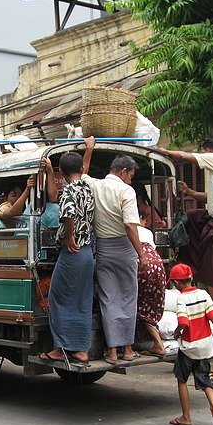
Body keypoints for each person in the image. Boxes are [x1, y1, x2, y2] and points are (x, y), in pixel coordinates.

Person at [157, 137, 213, 316]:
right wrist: (189, 192)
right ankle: (190, 263)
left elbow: (185, 156)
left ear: (208, 150)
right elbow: (210, 198)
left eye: (204, 152)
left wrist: (163, 152)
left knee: (211, 250)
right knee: (191, 217)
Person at [81, 136, 148, 364]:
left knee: (109, 299)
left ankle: (111, 351)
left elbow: (82, 174)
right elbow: (130, 225)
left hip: (103, 249)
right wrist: (141, 254)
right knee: (127, 297)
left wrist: (89, 149)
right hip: (123, 248)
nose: (131, 180)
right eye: (131, 175)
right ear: (124, 171)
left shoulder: (96, 185)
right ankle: (127, 349)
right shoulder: (126, 192)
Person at [39, 154, 95, 366]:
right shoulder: (88, 187)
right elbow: (55, 197)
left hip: (72, 252)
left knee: (58, 297)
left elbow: (69, 212)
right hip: (87, 252)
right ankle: (80, 350)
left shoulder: (70, 190)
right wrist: (50, 171)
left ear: (62, 172)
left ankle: (60, 348)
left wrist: (69, 236)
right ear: (81, 168)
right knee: (81, 301)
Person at [168, 263, 213, 425]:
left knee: (182, 380)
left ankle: (186, 417)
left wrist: (177, 332)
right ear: (191, 278)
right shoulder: (203, 294)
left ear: (178, 283)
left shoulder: (181, 298)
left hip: (189, 346)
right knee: (204, 379)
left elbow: (183, 322)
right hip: (205, 345)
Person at [135, 215, 168, 358]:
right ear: (141, 219)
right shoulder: (147, 232)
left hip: (141, 264)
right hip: (157, 266)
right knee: (152, 305)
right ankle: (156, 342)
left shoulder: (128, 229)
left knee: (138, 305)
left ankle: (158, 344)